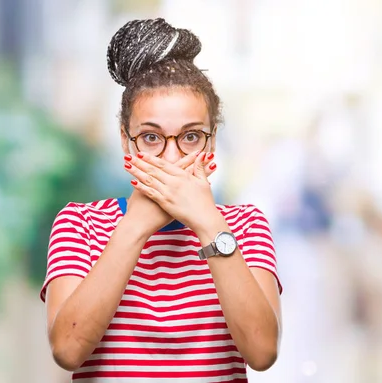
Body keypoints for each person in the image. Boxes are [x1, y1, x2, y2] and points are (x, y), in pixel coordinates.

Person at [40, 18, 283, 382]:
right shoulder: (80, 225)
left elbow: (263, 352)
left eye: (190, 137)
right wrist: (135, 226)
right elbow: (68, 349)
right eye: (152, 138)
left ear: (212, 142)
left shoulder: (244, 227)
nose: (171, 158)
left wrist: (208, 223)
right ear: (126, 141)